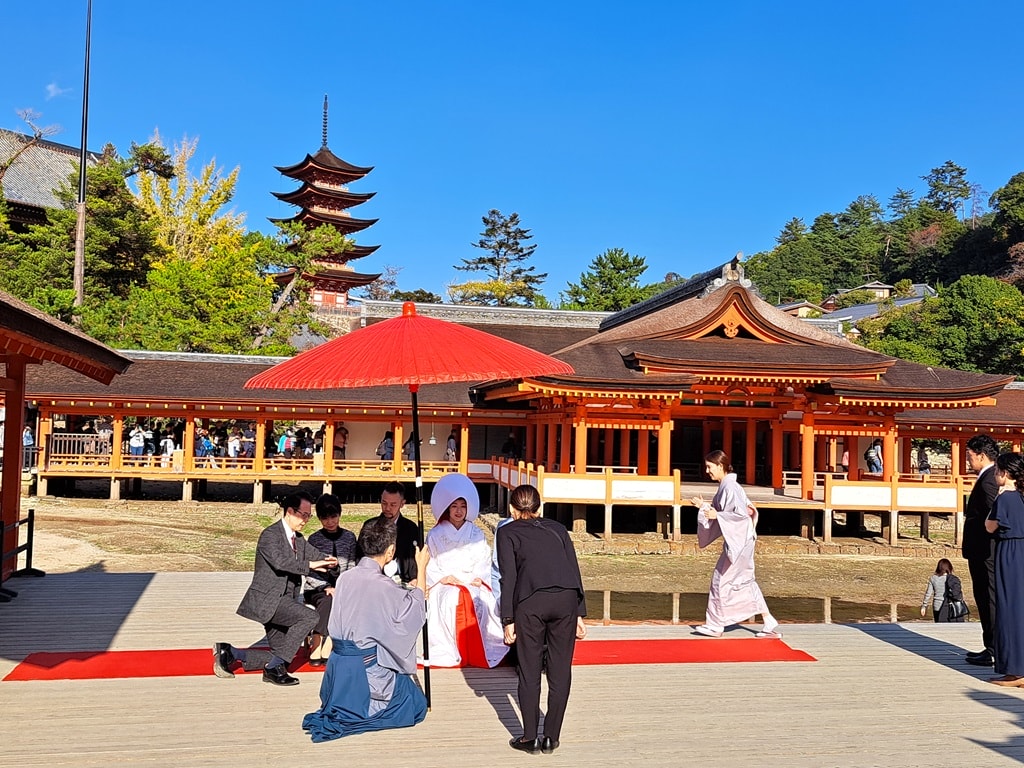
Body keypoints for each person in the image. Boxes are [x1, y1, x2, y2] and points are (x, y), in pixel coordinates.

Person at [301, 517, 429, 741]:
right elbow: (414, 615)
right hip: (367, 675)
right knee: (415, 705)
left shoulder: (345, 579)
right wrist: (422, 568)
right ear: (390, 551)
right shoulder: (384, 586)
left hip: (338, 671)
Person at [497, 484, 587, 755]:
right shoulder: (558, 529)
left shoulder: (507, 532)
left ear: (511, 509)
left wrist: (507, 618)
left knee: (530, 668)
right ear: (540, 508)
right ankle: (551, 737)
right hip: (566, 599)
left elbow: (508, 577)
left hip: (531, 600)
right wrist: (581, 614)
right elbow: (573, 567)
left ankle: (528, 738)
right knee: (560, 670)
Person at [213, 492, 338, 686]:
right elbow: (281, 562)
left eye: (308, 516)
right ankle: (272, 670)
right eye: (303, 515)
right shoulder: (270, 535)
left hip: (284, 601)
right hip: (269, 601)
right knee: (310, 617)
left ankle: (230, 653)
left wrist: (331, 562)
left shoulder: (299, 539)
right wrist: (311, 565)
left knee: (279, 654)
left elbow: (318, 555)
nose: (306, 520)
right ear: (290, 512)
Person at [690, 450, 781, 638]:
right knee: (744, 581)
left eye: (710, 467)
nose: (707, 471)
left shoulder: (730, 487)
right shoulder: (727, 486)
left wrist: (717, 515)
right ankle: (768, 620)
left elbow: (741, 515)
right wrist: (704, 507)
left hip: (740, 542)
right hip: (741, 541)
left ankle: (715, 625)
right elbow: (724, 512)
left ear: (720, 466)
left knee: (720, 580)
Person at [425, 473, 507, 668]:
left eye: (462, 506)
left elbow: (483, 558)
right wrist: (444, 578)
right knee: (450, 599)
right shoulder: (435, 533)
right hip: (446, 581)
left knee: (481, 599)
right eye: (454, 506)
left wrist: (478, 578)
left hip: (471, 580)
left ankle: (477, 647)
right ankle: (451, 647)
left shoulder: (476, 532)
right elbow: (431, 563)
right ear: (447, 508)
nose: (459, 511)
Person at [304, 493, 359, 666]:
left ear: (339, 515)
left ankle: (326, 640)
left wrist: (342, 587)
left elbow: (351, 566)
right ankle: (319, 639)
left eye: (333, 516)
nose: (330, 522)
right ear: (319, 519)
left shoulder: (349, 538)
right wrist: (326, 586)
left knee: (340, 599)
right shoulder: (314, 540)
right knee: (327, 599)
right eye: (325, 518)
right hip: (317, 588)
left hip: (342, 587)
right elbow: (310, 570)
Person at [986, 452, 1024, 686]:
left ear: (1004, 472)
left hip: (1010, 552)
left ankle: (1015, 670)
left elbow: (990, 527)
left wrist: (996, 501)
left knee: (1009, 609)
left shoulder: (1006, 498)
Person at [964, 434, 1000, 667]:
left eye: (969, 456)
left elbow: (995, 511)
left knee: (989, 599)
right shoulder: (987, 476)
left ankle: (994, 648)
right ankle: (991, 645)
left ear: (981, 455)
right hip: (982, 549)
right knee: (984, 597)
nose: (968, 460)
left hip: (986, 550)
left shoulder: (989, 480)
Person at [360, 481, 423, 585]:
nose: (387, 508)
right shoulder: (370, 526)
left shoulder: (411, 528)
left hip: (403, 580)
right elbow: (361, 556)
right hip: (374, 580)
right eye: (384, 503)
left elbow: (415, 557)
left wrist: (415, 577)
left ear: (402, 504)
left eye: (393, 504)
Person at [920, 558, 960, 622]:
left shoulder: (933, 578)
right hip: (949, 606)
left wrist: (924, 606)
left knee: (938, 625)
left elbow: (928, 593)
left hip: (937, 605)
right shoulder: (952, 579)